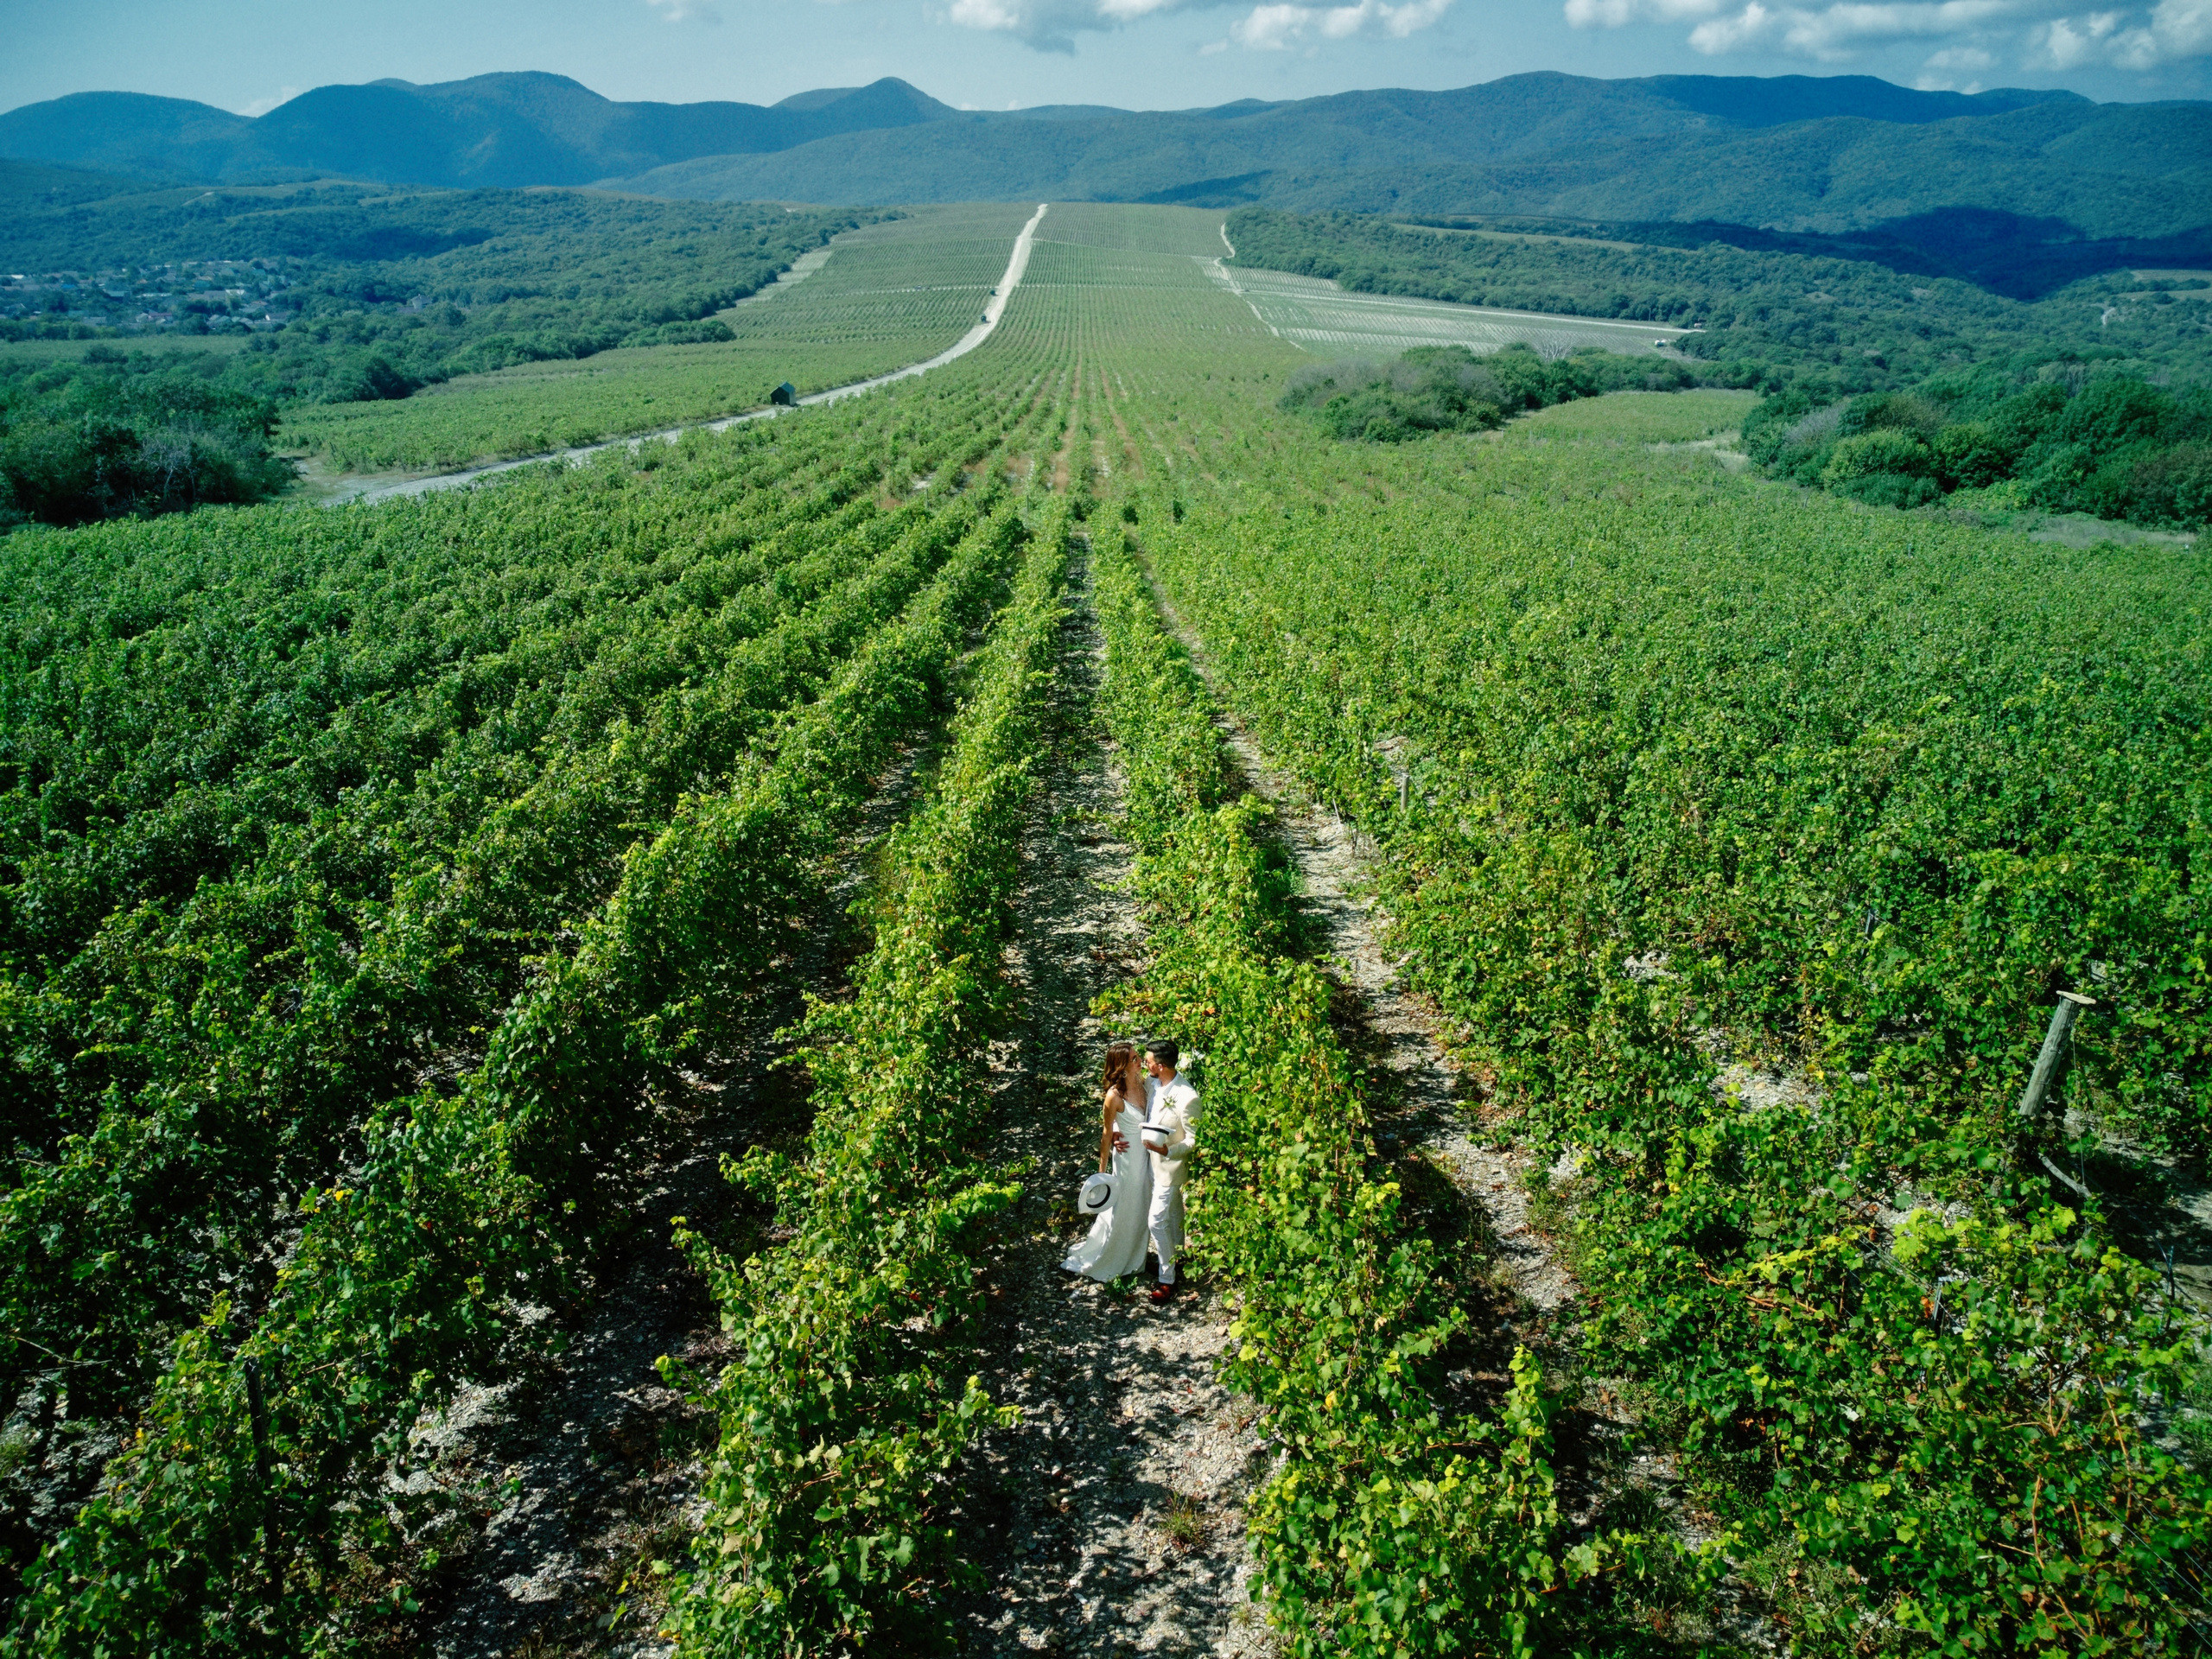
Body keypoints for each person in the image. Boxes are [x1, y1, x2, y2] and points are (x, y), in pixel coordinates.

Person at [1062, 1042, 1153, 1282]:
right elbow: (1105, 1131)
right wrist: (1101, 1174)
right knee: (1127, 1205)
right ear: (1122, 1066)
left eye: (1138, 1056)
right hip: (1127, 1159)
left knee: (1143, 1203)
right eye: (1134, 1059)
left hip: (1148, 1156)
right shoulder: (1114, 1095)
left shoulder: (1144, 1083)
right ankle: (1116, 1257)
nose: (1139, 1060)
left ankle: (1137, 1255)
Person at [1139, 1039, 1200, 1303]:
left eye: (1148, 1061)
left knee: (1156, 1221)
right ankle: (1179, 1260)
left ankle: (1167, 1279)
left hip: (1170, 1168)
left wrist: (1168, 1152)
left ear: (1160, 1066)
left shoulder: (1188, 1097)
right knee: (1175, 1217)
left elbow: (1193, 1140)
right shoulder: (1152, 1083)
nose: (1145, 1064)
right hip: (1148, 1163)